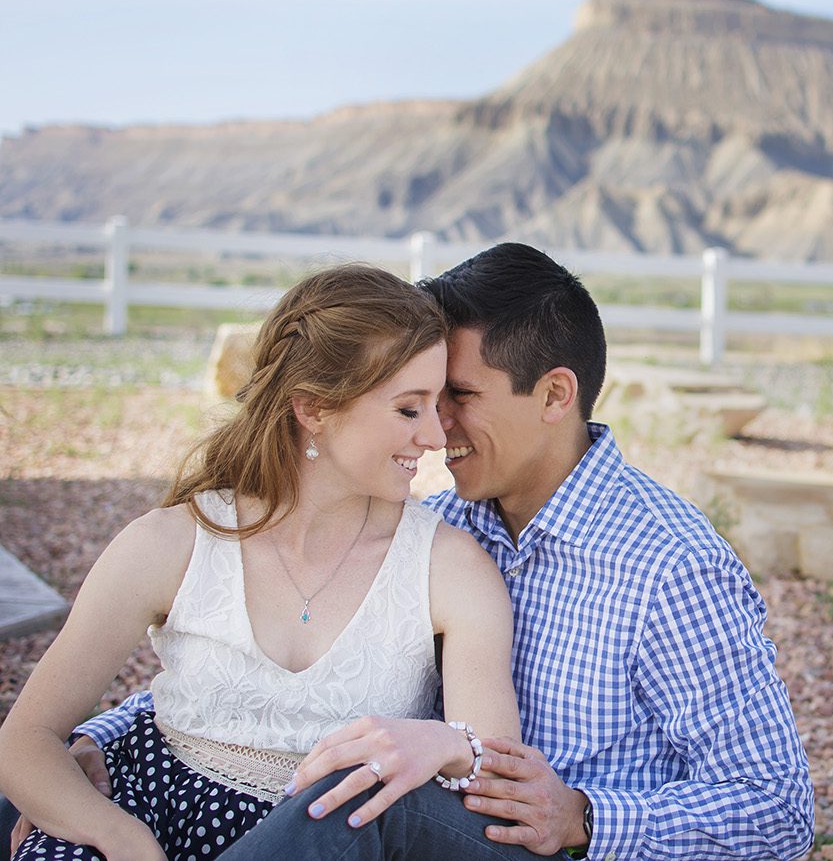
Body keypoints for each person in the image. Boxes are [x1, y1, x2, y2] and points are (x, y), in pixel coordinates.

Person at [11, 243, 815, 859]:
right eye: (417, 403)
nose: (437, 434)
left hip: (537, 842)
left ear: (555, 396)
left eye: (457, 398)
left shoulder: (669, 565)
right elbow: (264, 679)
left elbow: (778, 810)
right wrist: (108, 737)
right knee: (37, 795)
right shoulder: (445, 520)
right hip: (395, 817)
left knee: (363, 795)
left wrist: (584, 815)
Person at [0, 264, 522, 860]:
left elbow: (497, 769)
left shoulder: (449, 568)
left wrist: (448, 742)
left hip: (329, 839)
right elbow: (25, 738)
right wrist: (119, 837)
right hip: (147, 813)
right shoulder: (174, 542)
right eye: (409, 409)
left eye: (438, 404)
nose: (434, 435)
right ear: (313, 408)